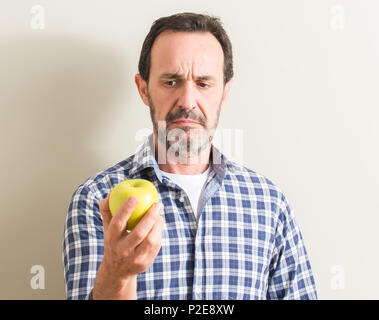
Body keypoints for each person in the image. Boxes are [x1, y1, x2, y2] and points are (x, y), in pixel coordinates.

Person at [62, 12, 318, 300]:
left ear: (224, 92)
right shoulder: (97, 200)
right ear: (143, 89)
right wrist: (117, 273)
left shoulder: (269, 205)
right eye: (171, 81)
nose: (187, 101)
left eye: (204, 83)